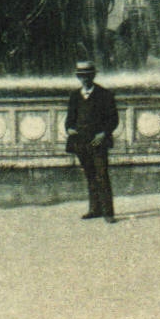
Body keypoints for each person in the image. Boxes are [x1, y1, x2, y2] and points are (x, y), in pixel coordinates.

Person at [65, 61, 118, 222]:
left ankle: (108, 213)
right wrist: (69, 129)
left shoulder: (105, 94)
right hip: (81, 142)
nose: (85, 79)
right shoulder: (75, 96)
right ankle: (95, 209)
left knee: (102, 175)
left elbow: (113, 119)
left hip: (98, 142)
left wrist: (103, 133)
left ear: (93, 76)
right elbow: (69, 120)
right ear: (78, 77)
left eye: (88, 76)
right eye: (82, 76)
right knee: (89, 176)